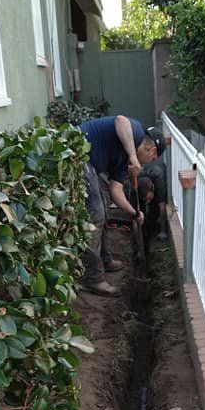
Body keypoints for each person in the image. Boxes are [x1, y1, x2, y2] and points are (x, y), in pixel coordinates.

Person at [79, 115, 158, 297]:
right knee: (95, 214)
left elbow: (116, 191)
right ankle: (93, 279)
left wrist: (134, 213)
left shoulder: (124, 164)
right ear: (152, 151)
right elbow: (120, 120)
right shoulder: (136, 132)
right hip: (77, 154)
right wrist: (133, 156)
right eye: (152, 159)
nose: (148, 163)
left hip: (89, 164)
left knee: (104, 208)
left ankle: (105, 260)